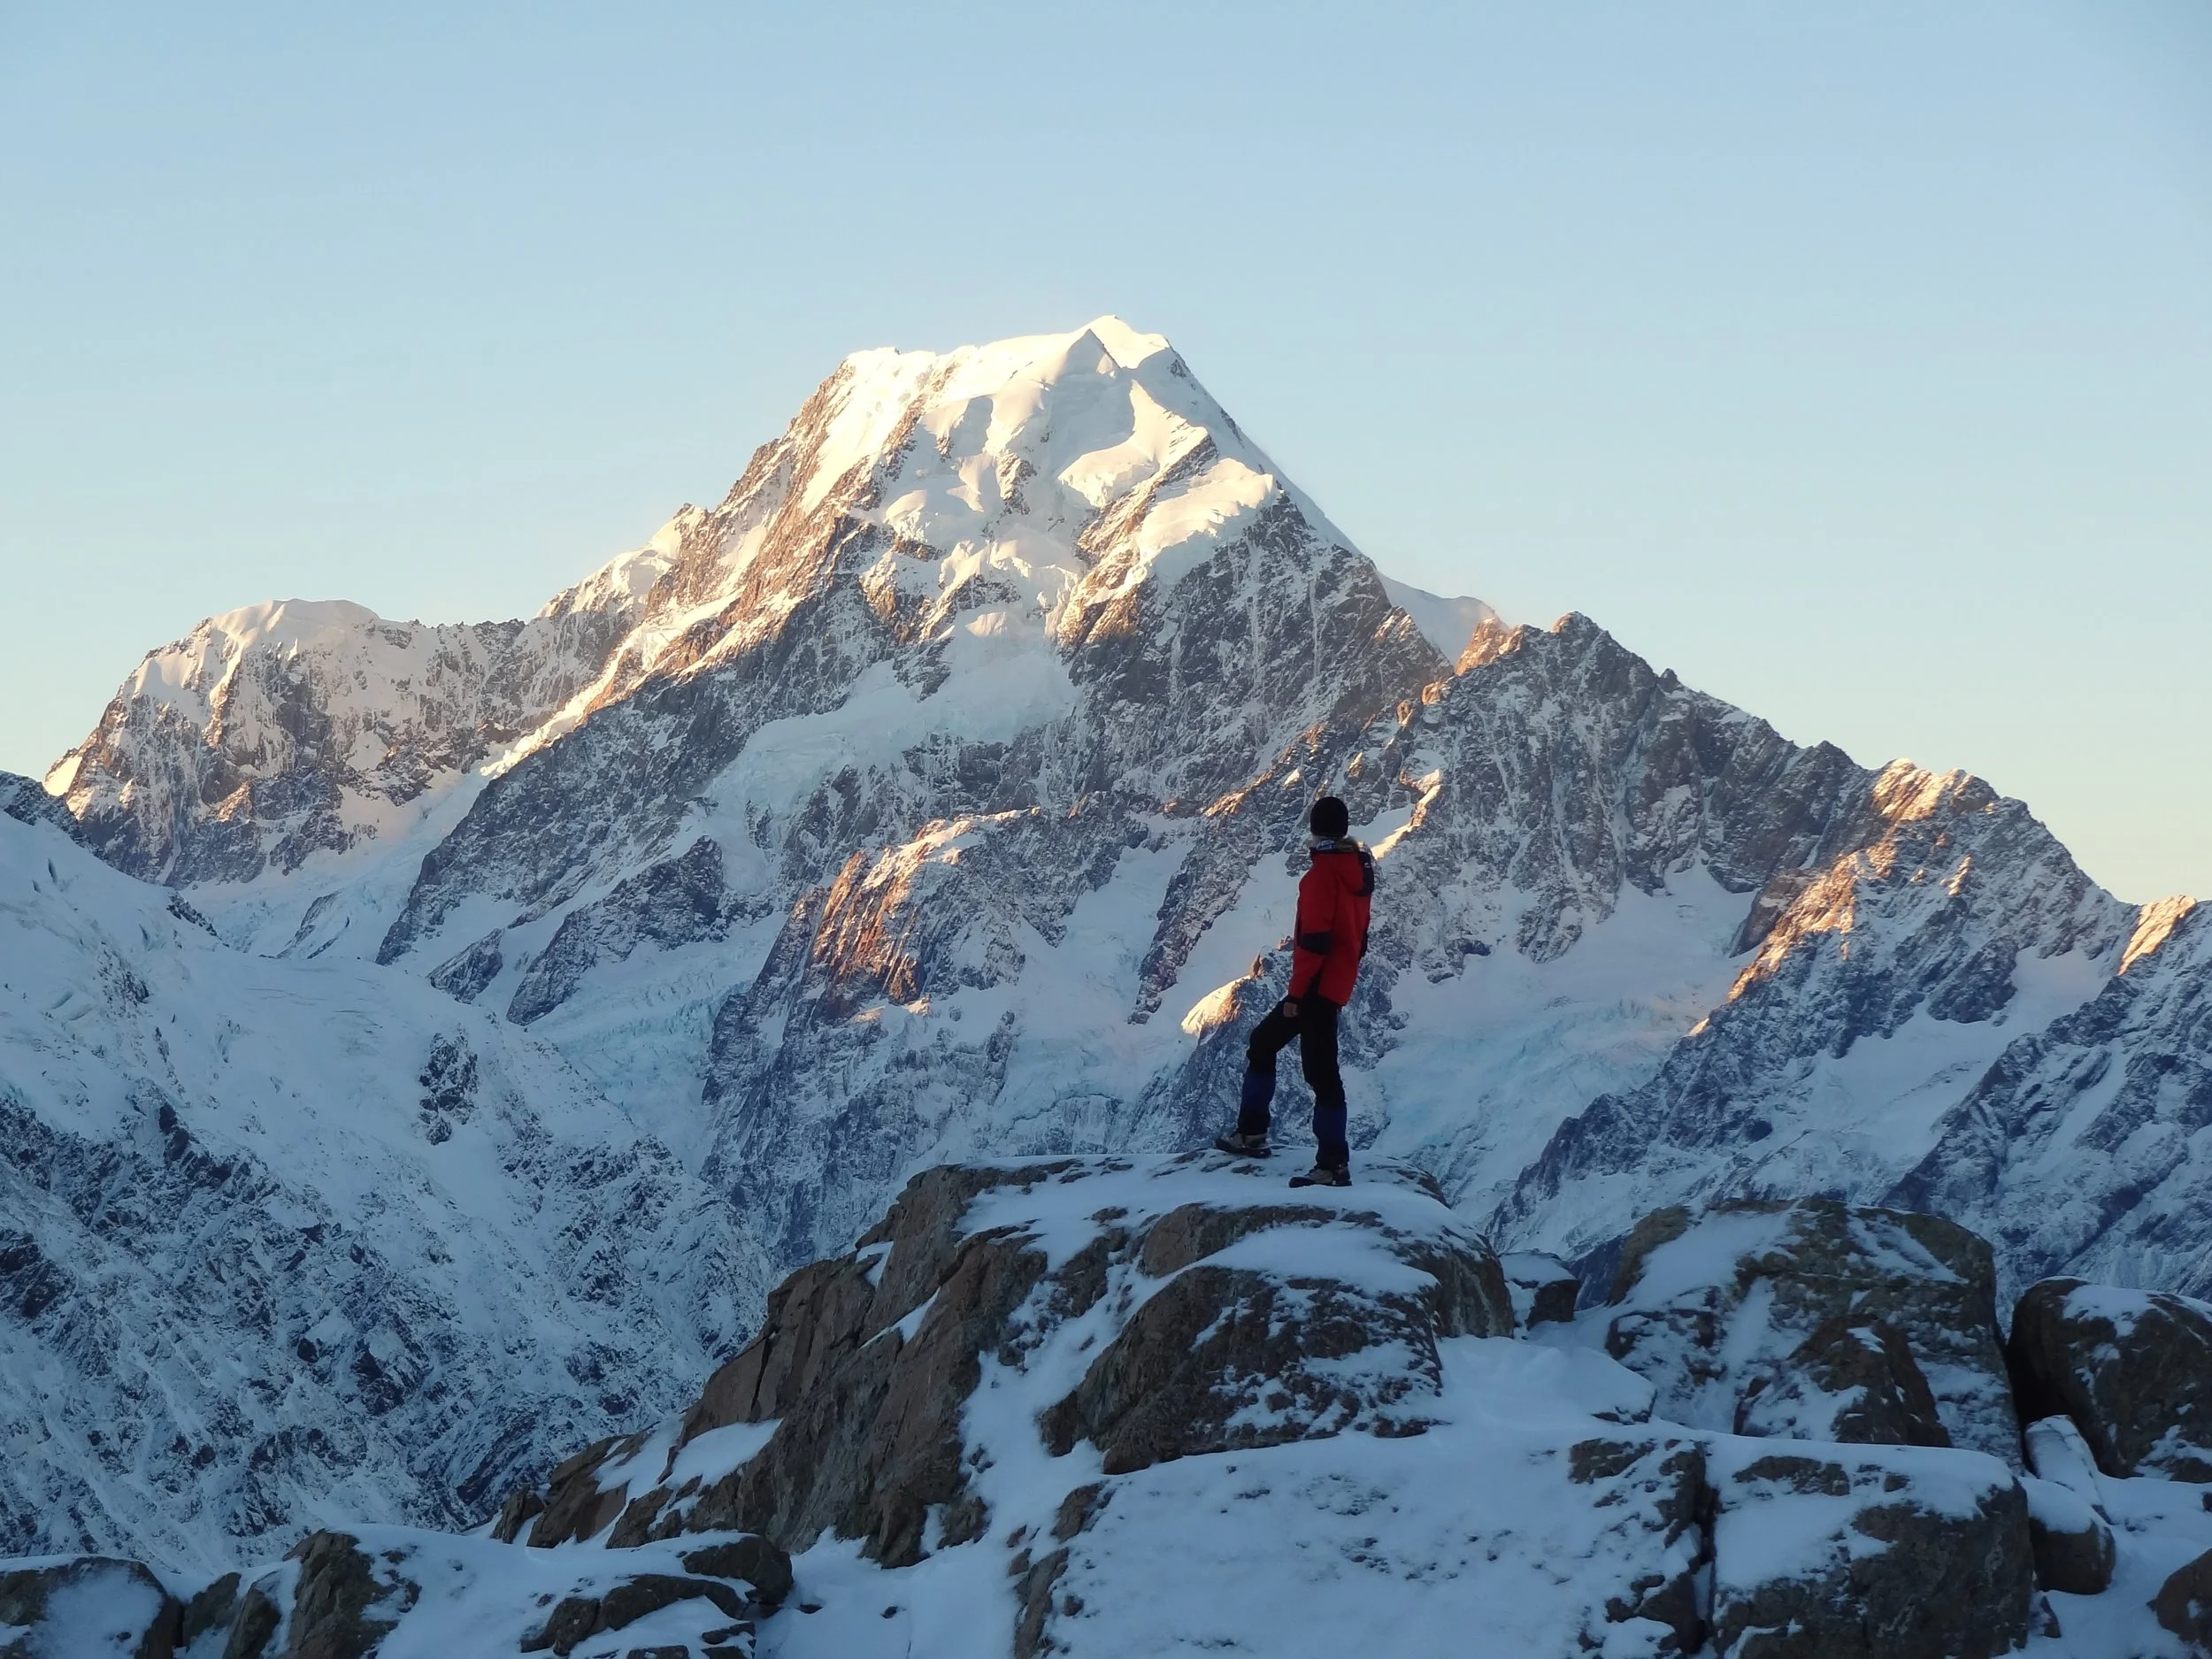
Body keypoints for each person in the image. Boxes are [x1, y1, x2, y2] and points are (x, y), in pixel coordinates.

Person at [1215, 795, 1375, 1187]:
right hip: (1335, 982)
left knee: (1319, 1074)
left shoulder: (1321, 876)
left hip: (1316, 988)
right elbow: (1359, 936)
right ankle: (1253, 1134)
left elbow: (1313, 941)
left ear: (1314, 829)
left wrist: (1296, 997)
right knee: (1266, 1044)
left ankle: (1331, 1164)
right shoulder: (1357, 871)